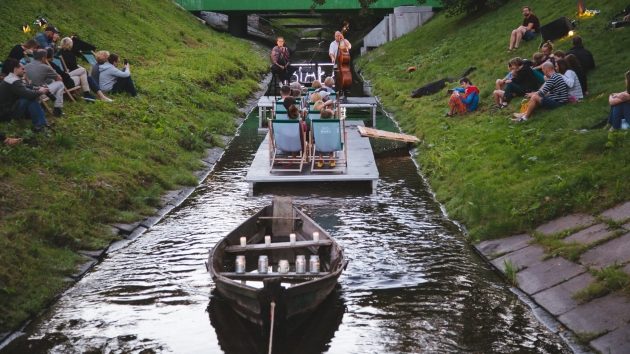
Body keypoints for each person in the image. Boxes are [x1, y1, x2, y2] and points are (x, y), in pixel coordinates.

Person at [0, 58, 51, 131]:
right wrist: (41, 91)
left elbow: (25, 86)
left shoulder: (10, 78)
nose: (24, 71)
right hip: (6, 114)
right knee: (29, 98)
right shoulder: (13, 81)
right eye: (22, 69)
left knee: (30, 97)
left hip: (5, 110)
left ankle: (40, 123)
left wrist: (37, 88)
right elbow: (28, 94)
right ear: (15, 69)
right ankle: (40, 125)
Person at [59, 37, 109, 102]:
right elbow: (73, 67)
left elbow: (70, 65)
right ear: (70, 45)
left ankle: (89, 94)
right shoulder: (69, 54)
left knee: (84, 73)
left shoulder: (59, 52)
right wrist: (80, 68)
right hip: (66, 74)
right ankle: (90, 94)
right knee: (84, 71)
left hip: (63, 73)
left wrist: (78, 67)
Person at [24, 49, 65, 116]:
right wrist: (57, 75)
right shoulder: (45, 67)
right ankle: (57, 109)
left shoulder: (26, 66)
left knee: (50, 81)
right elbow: (59, 79)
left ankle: (47, 105)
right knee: (60, 84)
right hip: (40, 93)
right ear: (43, 58)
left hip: (30, 92)